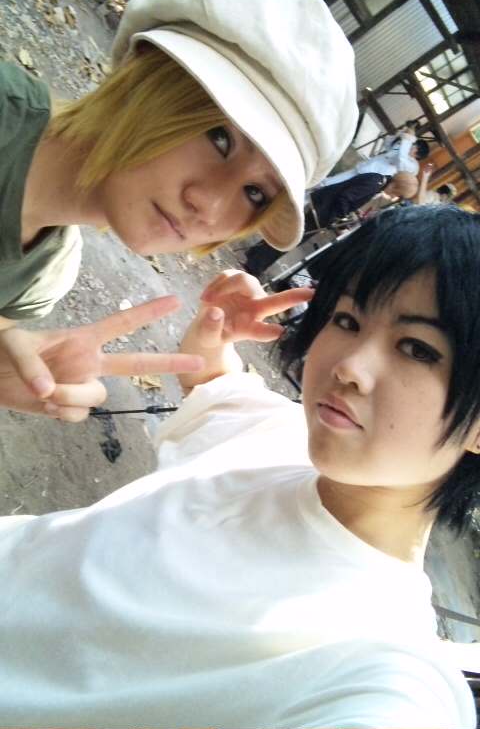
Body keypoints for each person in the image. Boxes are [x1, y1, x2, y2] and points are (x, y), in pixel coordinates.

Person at [0, 205, 478, 728]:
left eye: (417, 349)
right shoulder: (281, 437)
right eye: (347, 320)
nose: (349, 367)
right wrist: (217, 331)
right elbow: (214, 385)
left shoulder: (379, 661)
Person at [0, 0, 358, 419]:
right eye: (220, 138)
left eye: (255, 194)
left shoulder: (46, 276)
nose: (209, 205)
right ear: (146, 75)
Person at [244, 170, 418, 277]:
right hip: (322, 209)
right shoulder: (374, 183)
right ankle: (254, 264)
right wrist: (336, 220)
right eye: (399, 195)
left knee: (290, 235)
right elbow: (345, 198)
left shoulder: (377, 180)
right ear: (398, 189)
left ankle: (254, 255)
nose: (395, 198)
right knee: (292, 239)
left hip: (323, 205)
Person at [324, 124, 429, 186]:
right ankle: (320, 186)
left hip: (374, 177)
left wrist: (408, 139)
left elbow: (401, 160)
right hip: (367, 167)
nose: (412, 147)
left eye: (414, 146)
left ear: (418, 154)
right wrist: (401, 133)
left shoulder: (413, 166)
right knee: (337, 179)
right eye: (413, 145)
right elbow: (387, 143)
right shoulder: (404, 148)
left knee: (342, 186)